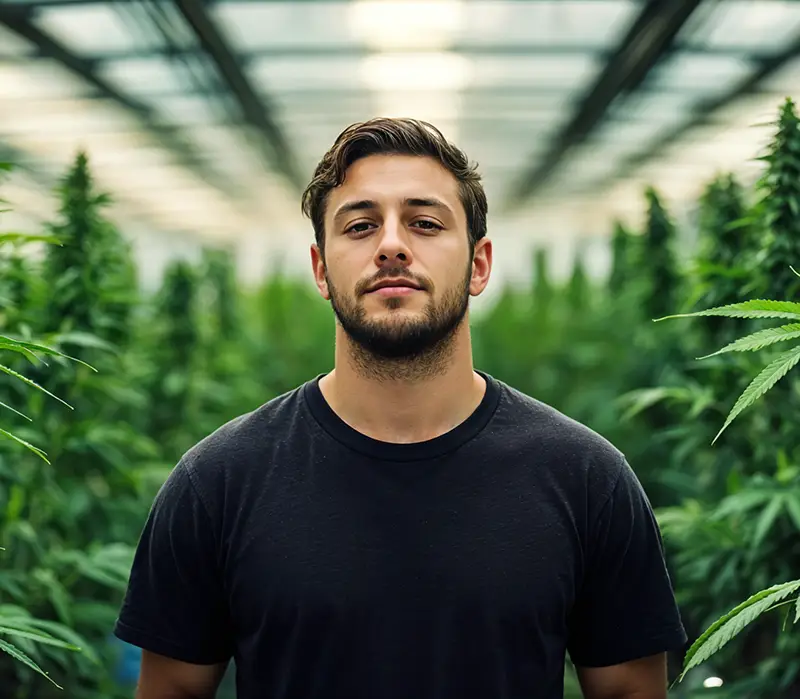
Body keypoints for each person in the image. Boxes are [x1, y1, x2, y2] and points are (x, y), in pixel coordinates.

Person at [114, 117, 687, 699]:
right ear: (320, 269)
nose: (391, 244)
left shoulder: (587, 478)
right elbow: (174, 688)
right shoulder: (217, 481)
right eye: (361, 226)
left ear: (479, 264)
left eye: (426, 223)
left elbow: (628, 689)